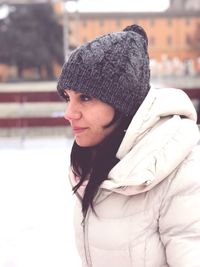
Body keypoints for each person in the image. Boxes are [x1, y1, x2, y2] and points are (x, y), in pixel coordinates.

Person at [57, 24, 200, 267]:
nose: (69, 113)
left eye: (86, 97)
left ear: (123, 104)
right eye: (68, 97)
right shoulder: (96, 161)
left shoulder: (184, 173)